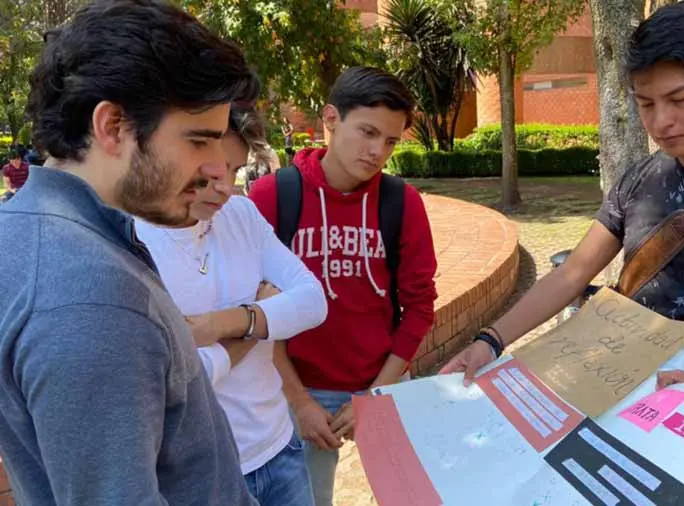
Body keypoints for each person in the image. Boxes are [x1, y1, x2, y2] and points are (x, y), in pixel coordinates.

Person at [441, 2, 684, 505]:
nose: (660, 121)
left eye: (678, 99)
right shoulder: (643, 178)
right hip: (621, 413)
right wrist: (489, 342)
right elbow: (572, 274)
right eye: (646, 103)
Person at [0, 1, 261, 504]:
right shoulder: (90, 297)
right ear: (113, 126)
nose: (218, 169)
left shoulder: (28, 231)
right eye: (200, 141)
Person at [248, 66, 438, 506]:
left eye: (390, 141)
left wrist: (375, 393)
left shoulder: (401, 202)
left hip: (384, 380)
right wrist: (298, 401)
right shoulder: (273, 196)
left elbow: (419, 307)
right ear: (331, 118)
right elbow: (258, 313)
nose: (377, 152)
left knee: (413, 496)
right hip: (300, 387)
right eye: (368, 132)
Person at [136, 105, 327, 506]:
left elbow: (313, 301)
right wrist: (263, 318)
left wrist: (223, 323)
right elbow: (178, 383)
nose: (225, 187)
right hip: (204, 476)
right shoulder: (135, 240)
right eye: (214, 169)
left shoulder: (241, 215)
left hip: (279, 448)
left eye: (235, 170)